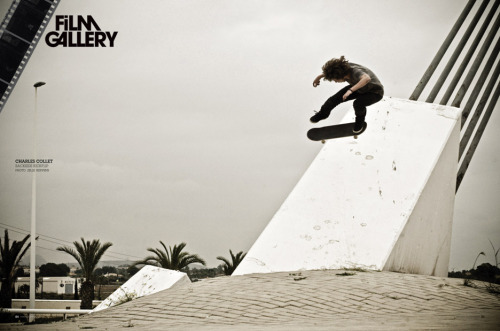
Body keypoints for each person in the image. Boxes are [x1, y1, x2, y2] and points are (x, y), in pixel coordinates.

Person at [310, 56, 384, 133]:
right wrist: (318, 77)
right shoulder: (342, 68)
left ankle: (359, 123)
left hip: (375, 92)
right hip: (359, 88)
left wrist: (351, 90)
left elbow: (366, 78)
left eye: (335, 80)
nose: (335, 81)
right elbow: (332, 71)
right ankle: (323, 114)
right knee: (334, 99)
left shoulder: (355, 71)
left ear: (341, 76)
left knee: (358, 104)